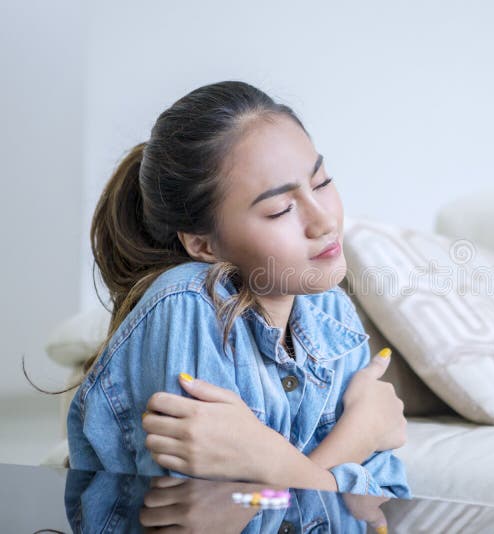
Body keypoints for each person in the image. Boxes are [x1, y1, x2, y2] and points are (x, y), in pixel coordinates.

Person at [66, 80, 411, 501]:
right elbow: (197, 513)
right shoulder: (188, 303)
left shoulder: (329, 309)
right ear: (203, 244)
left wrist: (273, 465)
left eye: (321, 183)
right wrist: (357, 436)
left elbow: (386, 504)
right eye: (280, 209)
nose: (322, 221)